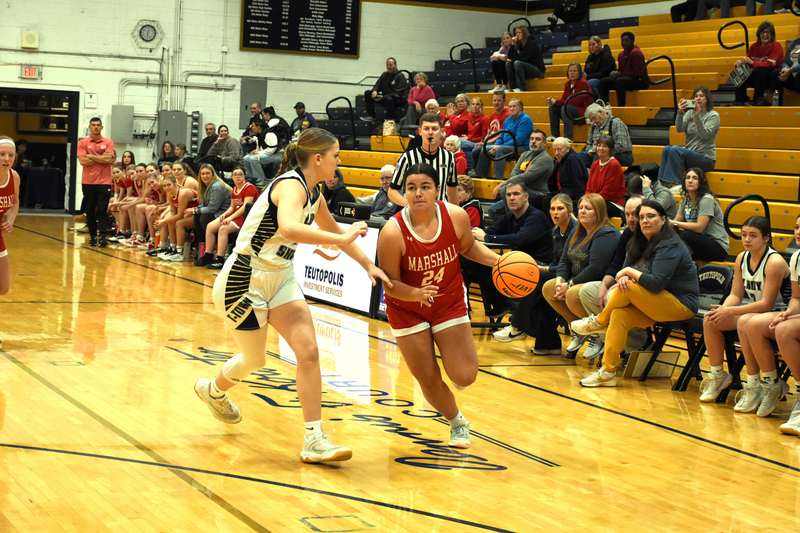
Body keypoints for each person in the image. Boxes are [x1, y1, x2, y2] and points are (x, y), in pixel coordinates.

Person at [195, 128, 391, 463]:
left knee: (309, 351)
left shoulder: (314, 192)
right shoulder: (290, 186)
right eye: (335, 156)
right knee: (255, 360)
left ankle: (314, 438)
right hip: (245, 278)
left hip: (281, 276)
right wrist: (340, 242)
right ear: (318, 159)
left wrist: (366, 265)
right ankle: (212, 389)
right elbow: (288, 227)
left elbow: (335, 230)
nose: (339, 161)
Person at [378, 163, 501, 448]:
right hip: (407, 307)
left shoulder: (455, 216)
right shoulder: (392, 232)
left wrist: (499, 261)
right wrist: (415, 294)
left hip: (447, 300)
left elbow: (468, 248)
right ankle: (457, 421)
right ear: (404, 193)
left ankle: (453, 356)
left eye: (425, 187)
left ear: (437, 190)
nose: (418, 193)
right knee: (428, 378)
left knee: (464, 375)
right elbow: (390, 284)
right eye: (411, 188)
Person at [572, 200, 699, 387]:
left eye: (651, 216)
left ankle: (599, 321)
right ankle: (608, 371)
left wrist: (629, 274)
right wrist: (625, 276)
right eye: (641, 217)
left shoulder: (670, 245)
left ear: (663, 219)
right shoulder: (637, 242)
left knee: (628, 288)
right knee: (619, 314)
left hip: (680, 304)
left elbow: (655, 283)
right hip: (653, 302)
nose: (645, 221)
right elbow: (623, 272)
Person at [699, 216, 789, 411]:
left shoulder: (774, 262)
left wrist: (730, 310)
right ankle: (718, 374)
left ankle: (757, 384)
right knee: (710, 320)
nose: (747, 239)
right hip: (754, 312)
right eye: (744, 235)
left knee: (745, 322)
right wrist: (724, 309)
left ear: (766, 238)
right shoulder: (741, 258)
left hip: (780, 313)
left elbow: (767, 304)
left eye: (753, 236)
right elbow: (735, 294)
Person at [491, 192, 571, 354]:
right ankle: (548, 343)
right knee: (539, 292)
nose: (555, 212)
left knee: (534, 278)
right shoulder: (556, 231)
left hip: (571, 277)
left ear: (569, 211)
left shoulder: (574, 231)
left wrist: (545, 269)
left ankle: (517, 325)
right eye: (553, 209)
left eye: (560, 209)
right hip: (557, 273)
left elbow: (567, 265)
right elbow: (558, 263)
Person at [542, 193, 620, 354]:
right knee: (549, 288)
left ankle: (596, 332)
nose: (582, 211)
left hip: (601, 283)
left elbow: (596, 268)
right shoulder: (577, 230)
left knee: (572, 293)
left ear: (598, 212)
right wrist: (559, 282)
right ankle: (578, 329)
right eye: (581, 208)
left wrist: (569, 284)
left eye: (588, 209)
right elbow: (564, 261)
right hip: (577, 280)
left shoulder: (606, 233)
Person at [745, 216, 800, 434]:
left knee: (784, 330)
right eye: (796, 227)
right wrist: (788, 312)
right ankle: (770, 384)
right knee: (754, 324)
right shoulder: (796, 257)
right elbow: (796, 299)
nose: (798, 232)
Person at [577, 196, 646, 360]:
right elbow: (616, 263)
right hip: (623, 283)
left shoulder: (655, 236)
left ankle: (633, 344)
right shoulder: (628, 233)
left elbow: (649, 270)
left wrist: (624, 279)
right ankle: (607, 339)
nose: (631, 219)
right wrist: (604, 284)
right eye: (627, 214)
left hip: (641, 286)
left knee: (616, 298)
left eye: (635, 214)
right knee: (586, 292)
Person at [390, 113, 457, 206]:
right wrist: (409, 205)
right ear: (420, 131)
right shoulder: (408, 157)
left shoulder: (449, 157)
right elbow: (392, 190)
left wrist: (454, 212)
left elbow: (452, 189)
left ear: (442, 131)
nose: (430, 132)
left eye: (434, 129)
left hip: (440, 213)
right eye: (426, 129)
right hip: (415, 213)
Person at [658, 86, 720, 185]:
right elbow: (679, 129)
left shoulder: (713, 115)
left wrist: (696, 116)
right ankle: (661, 182)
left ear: (707, 99)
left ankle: (674, 183)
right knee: (667, 149)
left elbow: (705, 135)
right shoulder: (690, 112)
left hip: (705, 158)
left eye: (701, 96)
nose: (698, 98)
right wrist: (680, 113)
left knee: (675, 150)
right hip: (690, 154)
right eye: (696, 96)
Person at [202, 168, 259, 269]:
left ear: (244, 176)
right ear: (232, 177)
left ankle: (220, 259)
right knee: (210, 226)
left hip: (246, 217)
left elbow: (245, 207)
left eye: (240, 174)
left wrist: (230, 217)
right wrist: (225, 214)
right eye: (235, 174)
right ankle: (208, 255)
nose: (238, 176)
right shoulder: (234, 188)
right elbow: (232, 207)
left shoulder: (250, 188)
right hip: (235, 215)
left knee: (223, 229)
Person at [672, 168, 729, 262]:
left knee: (686, 235)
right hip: (697, 243)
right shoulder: (686, 200)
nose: (690, 180)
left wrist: (674, 223)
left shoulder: (707, 199)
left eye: (695, 178)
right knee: (670, 233)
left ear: (701, 182)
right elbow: (675, 223)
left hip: (717, 247)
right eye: (688, 178)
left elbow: (699, 227)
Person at [77, 117, 116, 247]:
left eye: (98, 125)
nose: (96, 127)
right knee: (90, 209)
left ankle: (103, 236)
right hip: (88, 182)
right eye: (93, 125)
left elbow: (109, 159)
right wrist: (102, 158)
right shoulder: (82, 142)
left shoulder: (108, 142)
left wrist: (91, 156)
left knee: (102, 209)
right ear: (89, 127)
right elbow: (83, 161)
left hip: (105, 182)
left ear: (102, 127)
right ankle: (93, 236)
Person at [474, 99, 533, 180]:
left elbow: (519, 140)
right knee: (484, 148)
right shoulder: (508, 119)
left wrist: (499, 147)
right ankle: (481, 176)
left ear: (521, 108)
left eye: (514, 106)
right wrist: (496, 145)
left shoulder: (525, 119)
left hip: (521, 147)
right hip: (506, 146)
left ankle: (498, 178)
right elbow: (501, 136)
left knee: (500, 150)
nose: (512, 108)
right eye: (510, 107)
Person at [188, 164, 232, 263]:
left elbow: (212, 208)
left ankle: (207, 252)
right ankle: (203, 250)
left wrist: (195, 210)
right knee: (198, 215)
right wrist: (195, 209)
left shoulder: (216, 186)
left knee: (203, 216)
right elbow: (204, 204)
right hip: (217, 212)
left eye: (208, 173)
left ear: (213, 174)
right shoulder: (206, 186)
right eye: (203, 174)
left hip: (225, 214)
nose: (205, 176)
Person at [733, 21, 784, 106]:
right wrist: (741, 63)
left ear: (772, 35)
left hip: (771, 77)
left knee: (761, 70)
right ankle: (740, 99)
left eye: (768, 32)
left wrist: (753, 62)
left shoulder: (776, 46)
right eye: (762, 32)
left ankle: (758, 99)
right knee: (740, 70)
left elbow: (770, 64)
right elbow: (748, 62)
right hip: (756, 77)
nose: (765, 35)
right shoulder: (754, 46)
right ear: (758, 34)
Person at [597, 32, 649, 106]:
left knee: (620, 81)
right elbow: (622, 71)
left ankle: (621, 106)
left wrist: (619, 74)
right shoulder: (621, 55)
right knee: (604, 81)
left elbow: (637, 74)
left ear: (632, 41)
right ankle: (605, 106)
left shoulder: (636, 53)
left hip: (640, 81)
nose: (624, 43)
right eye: (622, 40)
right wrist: (616, 73)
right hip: (626, 79)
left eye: (626, 40)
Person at [547, 63, 593, 140]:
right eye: (570, 71)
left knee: (565, 108)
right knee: (553, 107)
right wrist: (554, 102)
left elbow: (576, 102)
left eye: (575, 71)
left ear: (579, 73)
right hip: (571, 112)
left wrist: (556, 102)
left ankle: (568, 137)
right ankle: (555, 135)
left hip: (583, 114)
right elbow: (564, 99)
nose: (572, 73)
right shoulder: (568, 84)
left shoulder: (583, 83)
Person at [581, 102, 633, 167]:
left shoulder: (616, 123)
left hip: (620, 155)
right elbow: (589, 143)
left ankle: (595, 176)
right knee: (579, 158)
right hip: (597, 153)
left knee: (599, 157)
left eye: (594, 118)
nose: (593, 121)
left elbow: (621, 146)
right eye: (591, 120)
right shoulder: (594, 126)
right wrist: (590, 150)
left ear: (601, 112)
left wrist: (601, 150)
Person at [0, 136, 20, 297]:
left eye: (11, 155)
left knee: (3, 287)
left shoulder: (14, 177)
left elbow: (14, 203)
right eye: (2, 154)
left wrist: (11, 219)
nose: (7, 159)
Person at [585, 136, 625, 216]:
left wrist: (592, 201)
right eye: (599, 145)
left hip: (612, 202)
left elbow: (609, 192)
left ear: (610, 149)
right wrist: (586, 198)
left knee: (590, 211)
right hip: (597, 201)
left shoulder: (614, 165)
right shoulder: (595, 164)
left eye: (605, 146)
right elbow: (588, 187)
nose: (601, 148)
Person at [470, 90, 510, 169]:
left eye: (499, 100)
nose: (496, 103)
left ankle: (480, 175)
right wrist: (484, 141)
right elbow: (489, 132)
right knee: (476, 149)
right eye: (494, 100)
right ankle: (474, 171)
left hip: (499, 142)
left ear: (504, 101)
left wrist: (488, 143)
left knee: (481, 150)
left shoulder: (507, 115)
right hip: (490, 141)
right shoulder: (492, 115)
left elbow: (501, 134)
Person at [362, 57, 407, 122]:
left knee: (389, 98)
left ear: (395, 65)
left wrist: (384, 96)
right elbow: (377, 84)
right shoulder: (384, 74)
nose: (389, 66)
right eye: (387, 65)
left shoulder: (400, 76)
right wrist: (375, 90)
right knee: (368, 93)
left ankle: (389, 119)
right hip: (384, 97)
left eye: (391, 64)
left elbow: (399, 93)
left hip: (396, 100)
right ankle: (372, 116)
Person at [506, 25, 546, 92]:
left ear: (524, 33)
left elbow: (524, 58)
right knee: (508, 64)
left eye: (519, 32)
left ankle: (523, 89)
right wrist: (513, 45)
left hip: (537, 69)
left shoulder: (531, 43)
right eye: (516, 33)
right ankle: (513, 88)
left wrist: (513, 59)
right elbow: (510, 57)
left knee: (517, 63)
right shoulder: (518, 43)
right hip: (525, 68)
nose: (517, 35)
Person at [242, 119, 280, 189]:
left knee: (253, 158)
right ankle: (251, 178)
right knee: (246, 158)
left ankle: (261, 181)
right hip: (267, 154)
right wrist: (255, 152)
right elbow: (260, 148)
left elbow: (272, 149)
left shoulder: (269, 134)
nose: (251, 128)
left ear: (258, 126)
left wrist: (258, 153)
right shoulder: (259, 135)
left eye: (253, 126)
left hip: (276, 156)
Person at [551, 137, 588, 205]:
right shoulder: (560, 159)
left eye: (559, 149)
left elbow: (578, 185)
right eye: (554, 150)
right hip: (563, 193)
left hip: (573, 197)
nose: (556, 153)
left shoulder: (572, 160)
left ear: (567, 149)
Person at [460, 97, 489, 169]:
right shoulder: (469, 116)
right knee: (465, 148)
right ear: (470, 106)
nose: (475, 106)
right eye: (473, 104)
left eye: (477, 104)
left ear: (481, 106)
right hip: (469, 142)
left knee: (459, 142)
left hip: (478, 143)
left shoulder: (485, 118)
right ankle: (470, 169)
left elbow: (484, 136)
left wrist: (469, 138)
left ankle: (470, 168)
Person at [777, 35, 800, 100]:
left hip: (797, 75)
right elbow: (785, 61)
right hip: (791, 77)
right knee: (776, 74)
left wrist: (790, 70)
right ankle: (778, 105)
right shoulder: (793, 43)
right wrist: (785, 69)